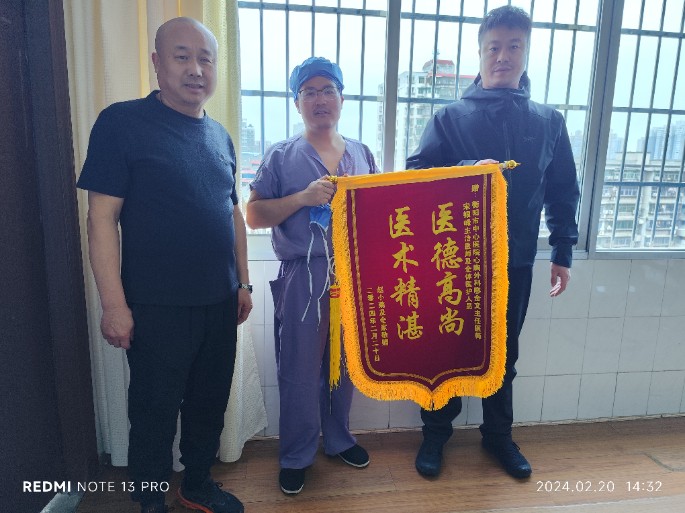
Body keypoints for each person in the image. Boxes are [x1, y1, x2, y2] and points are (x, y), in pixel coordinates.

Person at [77, 17, 251, 513]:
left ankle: (197, 484)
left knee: (208, 403)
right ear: (157, 62)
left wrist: (242, 283)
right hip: (155, 306)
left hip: (220, 302)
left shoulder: (219, 136)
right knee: (153, 411)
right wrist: (114, 306)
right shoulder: (121, 123)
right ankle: (151, 498)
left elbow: (232, 214)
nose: (196, 69)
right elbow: (101, 218)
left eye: (206, 59)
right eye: (182, 56)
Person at [406, 5, 580, 480]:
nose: (503, 56)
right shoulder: (449, 117)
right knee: (446, 348)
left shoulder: (549, 121)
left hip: (515, 261)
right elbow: (416, 175)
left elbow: (563, 190)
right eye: (494, 47)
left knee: (504, 353)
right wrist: (466, 173)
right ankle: (435, 433)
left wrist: (562, 251)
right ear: (481, 53)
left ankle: (498, 436)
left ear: (526, 52)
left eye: (513, 46)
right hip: (452, 262)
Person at [246, 57, 377, 495]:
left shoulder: (362, 154)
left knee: (345, 364)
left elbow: (380, 213)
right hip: (303, 275)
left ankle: (338, 439)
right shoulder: (281, 155)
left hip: (352, 277)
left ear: (342, 98)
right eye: (310, 92)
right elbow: (254, 215)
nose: (320, 99)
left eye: (328, 90)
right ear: (297, 102)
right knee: (300, 369)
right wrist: (302, 198)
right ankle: (296, 455)